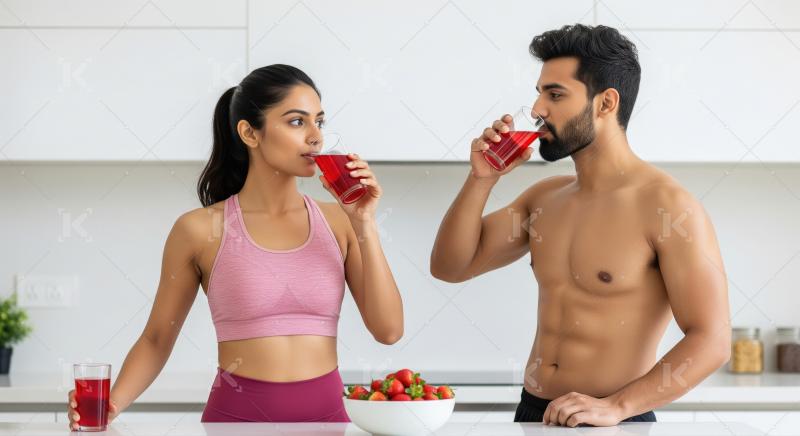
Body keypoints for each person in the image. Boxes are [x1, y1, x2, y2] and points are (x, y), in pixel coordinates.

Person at [67, 64, 404, 428]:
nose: (315, 137)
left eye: (318, 122)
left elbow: (388, 330)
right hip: (234, 423)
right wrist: (112, 404)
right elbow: (156, 338)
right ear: (249, 132)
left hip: (328, 423)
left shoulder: (340, 222)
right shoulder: (199, 230)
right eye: (296, 122)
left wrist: (364, 221)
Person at [430, 24, 730, 427]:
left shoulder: (667, 206)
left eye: (554, 94)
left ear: (606, 103)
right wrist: (482, 179)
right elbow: (450, 267)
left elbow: (712, 340)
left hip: (613, 419)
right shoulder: (545, 199)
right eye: (539, 93)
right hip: (534, 412)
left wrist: (618, 407)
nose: (537, 109)